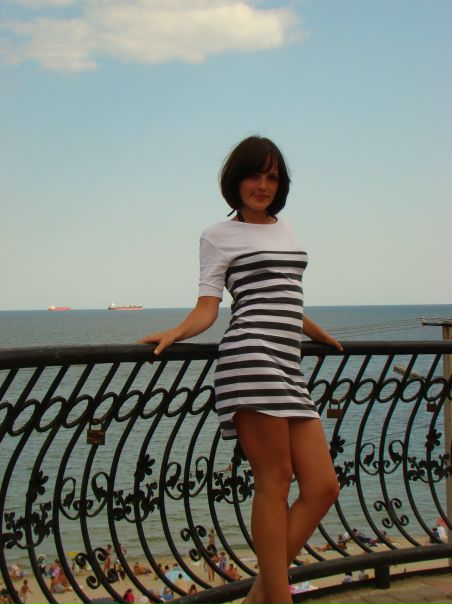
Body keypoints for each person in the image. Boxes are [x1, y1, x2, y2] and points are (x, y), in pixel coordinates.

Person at [139, 135, 342, 604]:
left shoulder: (285, 228)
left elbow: (284, 295)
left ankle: (257, 598)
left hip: (288, 364)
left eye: (272, 177)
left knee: (323, 487)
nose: (263, 185)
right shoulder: (218, 235)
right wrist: (176, 332)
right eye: (254, 175)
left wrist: (316, 332)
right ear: (235, 179)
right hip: (249, 358)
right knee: (276, 480)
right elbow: (208, 307)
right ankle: (277, 599)